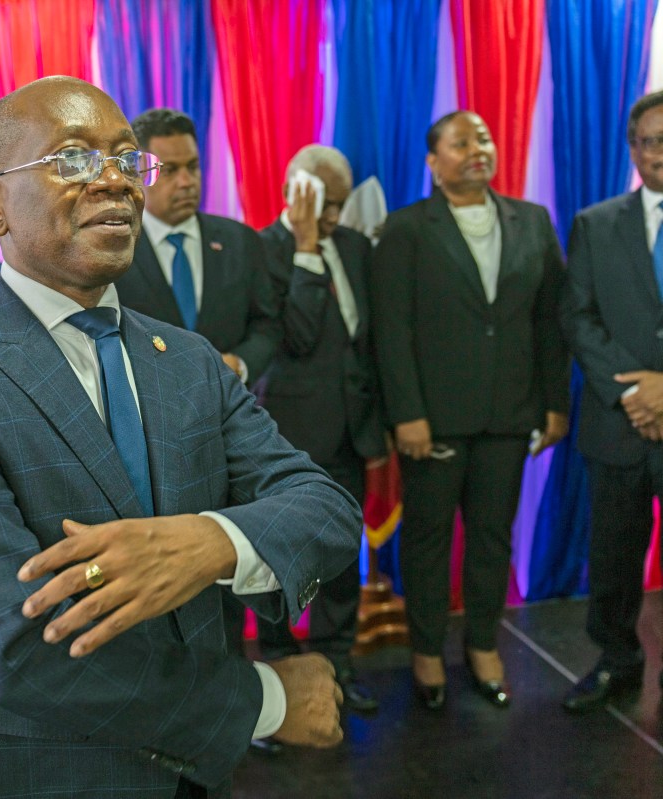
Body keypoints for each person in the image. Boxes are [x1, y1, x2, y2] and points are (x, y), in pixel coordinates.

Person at [0, 76, 360, 798]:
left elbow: (326, 508)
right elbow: (19, 648)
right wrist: (266, 700)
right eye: (72, 160)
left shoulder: (188, 358)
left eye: (128, 161)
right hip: (47, 776)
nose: (113, 181)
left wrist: (211, 540)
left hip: (198, 777)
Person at [370, 111, 570, 710]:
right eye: (461, 142)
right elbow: (391, 328)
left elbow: (549, 323)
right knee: (429, 541)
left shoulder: (532, 221)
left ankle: (483, 644)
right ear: (433, 163)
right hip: (433, 420)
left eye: (483, 137)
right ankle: (427, 651)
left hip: (510, 415)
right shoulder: (405, 229)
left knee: (492, 538)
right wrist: (406, 413)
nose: (477, 148)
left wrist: (556, 404)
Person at [256, 145, 386, 715]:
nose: (334, 216)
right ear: (293, 190)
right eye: (323, 203)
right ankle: (283, 676)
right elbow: (300, 337)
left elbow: (370, 345)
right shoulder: (261, 251)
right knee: (280, 563)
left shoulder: (357, 247)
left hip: (352, 436)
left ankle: (337, 669)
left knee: (340, 559)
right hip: (287, 440)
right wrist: (307, 248)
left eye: (340, 203)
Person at [559, 90, 663, 712]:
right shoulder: (595, 224)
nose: (661, 153)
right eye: (650, 141)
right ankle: (617, 659)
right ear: (634, 149)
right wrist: (636, 392)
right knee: (616, 554)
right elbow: (578, 319)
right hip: (618, 422)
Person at [114, 107, 277, 387]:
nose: (186, 182)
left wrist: (240, 364)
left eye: (192, 167)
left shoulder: (241, 240)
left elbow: (268, 325)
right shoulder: (115, 246)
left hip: (230, 409)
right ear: (138, 174)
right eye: (170, 170)